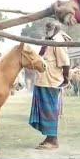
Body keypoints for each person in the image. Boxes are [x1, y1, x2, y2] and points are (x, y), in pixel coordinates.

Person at [29, 22, 70, 150]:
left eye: (49, 28)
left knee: (50, 110)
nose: (47, 30)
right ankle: (49, 137)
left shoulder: (58, 41)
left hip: (52, 81)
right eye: (46, 28)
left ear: (56, 29)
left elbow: (65, 62)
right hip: (42, 80)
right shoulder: (48, 40)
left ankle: (53, 140)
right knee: (43, 110)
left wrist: (66, 78)